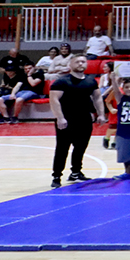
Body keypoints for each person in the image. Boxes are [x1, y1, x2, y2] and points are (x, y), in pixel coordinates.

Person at [48, 55, 105, 187]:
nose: (80, 64)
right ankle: (56, 176)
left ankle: (76, 172)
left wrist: (101, 114)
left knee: (80, 147)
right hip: (67, 119)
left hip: (84, 119)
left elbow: (97, 98)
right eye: (77, 62)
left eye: (83, 61)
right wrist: (60, 118)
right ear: (70, 64)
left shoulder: (91, 81)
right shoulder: (61, 82)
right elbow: (54, 100)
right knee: (62, 148)